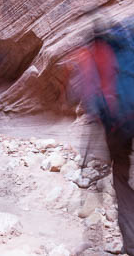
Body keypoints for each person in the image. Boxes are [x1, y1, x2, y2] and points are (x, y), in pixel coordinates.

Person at [67, 20, 134, 255]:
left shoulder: (89, 55)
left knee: (120, 174)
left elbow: (79, 93)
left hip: (116, 126)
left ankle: (132, 242)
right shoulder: (128, 45)